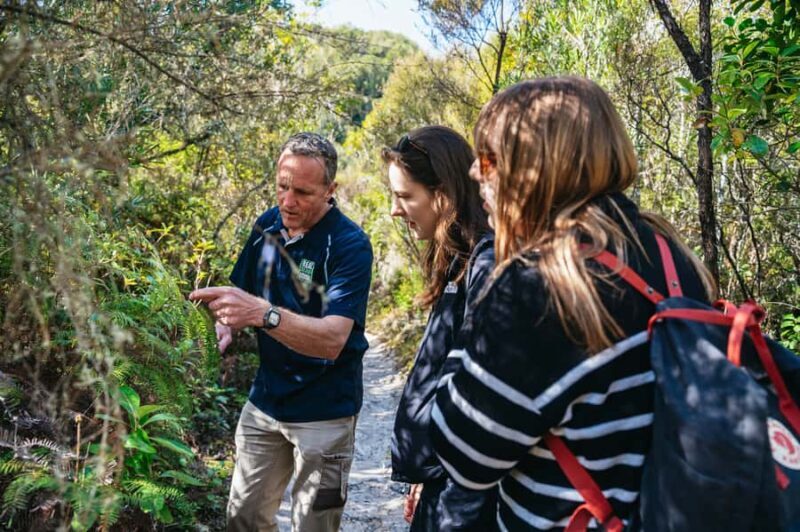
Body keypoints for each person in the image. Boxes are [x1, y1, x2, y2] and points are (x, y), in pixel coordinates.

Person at [430, 77, 716, 530]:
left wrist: (475, 322)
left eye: (487, 159)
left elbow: (463, 452)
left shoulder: (541, 283)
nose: (474, 173)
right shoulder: (667, 250)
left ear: (537, 166)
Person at [190, 132, 373, 532]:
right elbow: (244, 294)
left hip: (327, 412)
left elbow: (332, 338)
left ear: (330, 190)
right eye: (282, 186)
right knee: (243, 515)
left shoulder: (350, 245)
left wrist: (263, 315)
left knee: (314, 525)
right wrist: (225, 324)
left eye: (303, 192)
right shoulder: (267, 225)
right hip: (266, 402)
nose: (288, 201)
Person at [384, 126, 496, 531]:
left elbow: (479, 391)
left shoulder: (487, 262)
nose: (396, 210)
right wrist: (422, 473)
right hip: (440, 481)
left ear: (443, 193)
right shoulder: (457, 261)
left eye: (405, 196)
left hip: (463, 497)